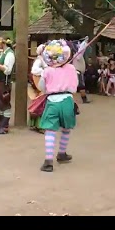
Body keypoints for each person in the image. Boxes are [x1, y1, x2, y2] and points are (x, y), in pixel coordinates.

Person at [37, 40, 79, 172]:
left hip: (52, 101)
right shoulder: (71, 69)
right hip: (67, 100)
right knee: (66, 128)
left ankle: (48, 161)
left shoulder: (47, 71)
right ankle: (62, 153)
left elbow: (41, 87)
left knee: (50, 130)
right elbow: (75, 86)